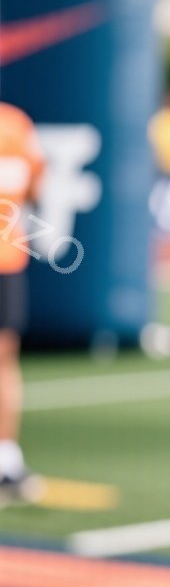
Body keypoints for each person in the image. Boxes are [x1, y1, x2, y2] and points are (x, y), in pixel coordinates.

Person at [0, 101, 45, 505]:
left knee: (5, 357)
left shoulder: (16, 123)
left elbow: (33, 182)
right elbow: (33, 186)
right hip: (8, 256)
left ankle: (6, 456)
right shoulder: (16, 124)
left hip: (7, 258)